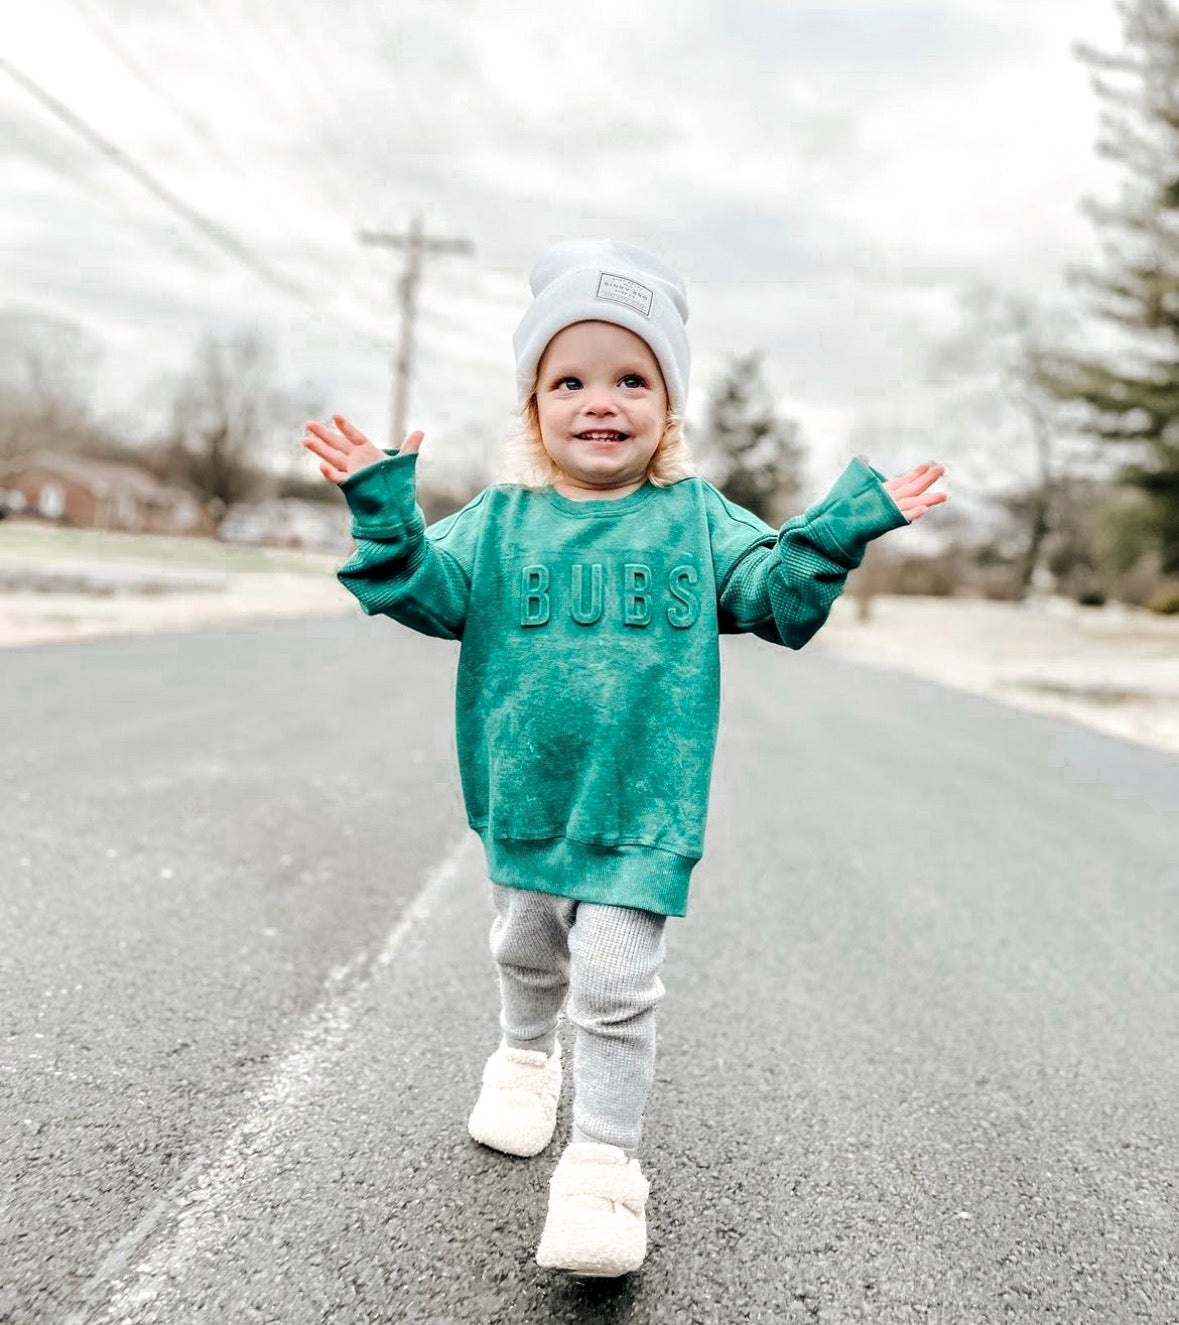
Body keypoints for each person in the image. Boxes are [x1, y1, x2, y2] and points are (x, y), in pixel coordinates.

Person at [301, 239, 947, 1278]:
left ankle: (604, 1165)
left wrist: (838, 530)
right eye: (571, 379)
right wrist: (383, 506)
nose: (601, 400)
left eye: (632, 377)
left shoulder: (697, 515)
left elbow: (776, 601)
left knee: (614, 975)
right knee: (526, 945)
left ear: (668, 406)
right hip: (524, 792)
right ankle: (522, 1055)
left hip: (647, 801)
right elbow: (426, 595)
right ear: (533, 406)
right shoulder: (502, 517)